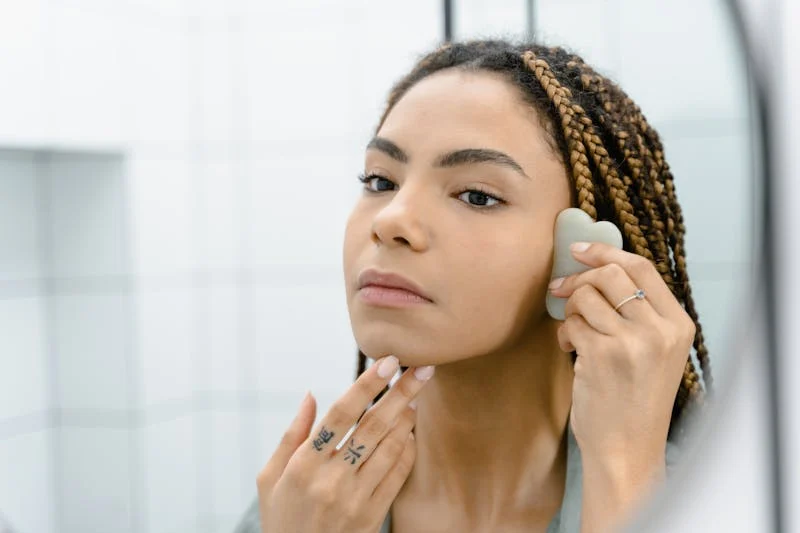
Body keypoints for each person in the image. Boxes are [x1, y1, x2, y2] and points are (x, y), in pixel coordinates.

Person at [235, 38, 711, 533]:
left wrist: (623, 472)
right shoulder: (306, 509)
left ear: (581, 249)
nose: (392, 220)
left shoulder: (698, 500)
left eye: (477, 196)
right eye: (380, 181)